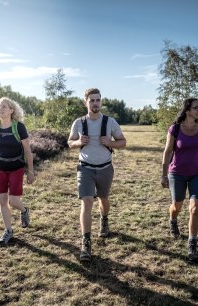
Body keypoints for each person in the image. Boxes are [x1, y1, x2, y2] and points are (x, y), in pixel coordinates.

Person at [68, 88, 126, 261]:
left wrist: (111, 143)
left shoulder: (110, 122)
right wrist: (78, 142)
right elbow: (70, 141)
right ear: (85, 102)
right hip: (85, 168)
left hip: (105, 168)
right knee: (86, 202)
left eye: (97, 100)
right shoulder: (78, 122)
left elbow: (123, 142)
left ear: (101, 102)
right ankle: (86, 243)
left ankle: (104, 219)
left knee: (103, 199)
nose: (95, 103)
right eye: (92, 100)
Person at [161, 98, 198, 263]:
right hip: (177, 173)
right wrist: (163, 173)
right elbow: (168, 152)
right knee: (177, 206)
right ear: (187, 110)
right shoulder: (175, 129)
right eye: (196, 107)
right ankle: (173, 220)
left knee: (195, 209)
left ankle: (192, 243)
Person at [0, 97, 35, 246]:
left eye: (4, 106)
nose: (1, 109)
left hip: (16, 168)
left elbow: (27, 150)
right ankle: (8, 231)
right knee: (2, 200)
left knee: (13, 201)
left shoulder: (19, 127)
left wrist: (30, 171)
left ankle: (24, 210)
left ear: (12, 110)